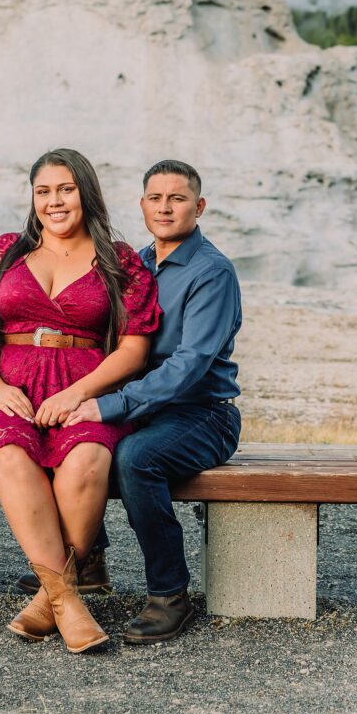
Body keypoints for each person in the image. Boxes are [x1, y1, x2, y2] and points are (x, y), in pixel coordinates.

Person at [0, 148, 160, 653]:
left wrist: (78, 393)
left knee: (88, 458)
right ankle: (68, 601)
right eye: (43, 191)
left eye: (66, 190)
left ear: (86, 193)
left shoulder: (119, 260)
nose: (54, 201)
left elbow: (134, 348)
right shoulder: (6, 251)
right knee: (10, 453)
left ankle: (49, 597)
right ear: (33, 198)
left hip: (84, 387)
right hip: (4, 388)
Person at [65, 159, 242, 644]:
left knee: (135, 458)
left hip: (202, 415)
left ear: (199, 207)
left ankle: (170, 595)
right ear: (142, 205)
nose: (165, 208)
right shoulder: (133, 265)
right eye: (156, 198)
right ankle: (87, 559)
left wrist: (111, 405)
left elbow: (190, 365)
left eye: (177, 199)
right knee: (71, 438)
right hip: (141, 408)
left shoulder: (212, 272)